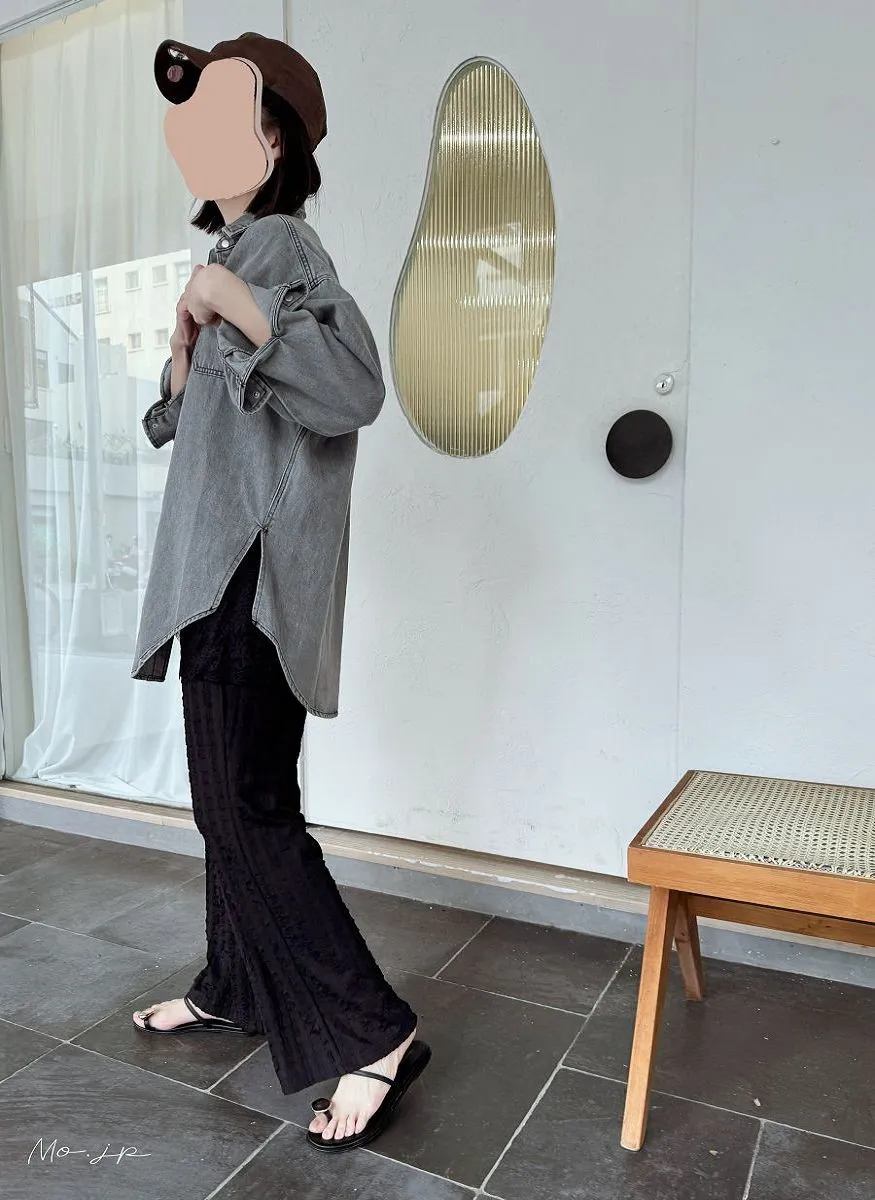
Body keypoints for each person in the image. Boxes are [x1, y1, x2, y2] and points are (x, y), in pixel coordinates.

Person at [129, 33, 430, 1153]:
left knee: (246, 807)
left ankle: (376, 1031)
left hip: (244, 578)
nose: (203, 138)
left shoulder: (281, 245)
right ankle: (234, 982)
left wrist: (239, 306)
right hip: (219, 570)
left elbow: (352, 388)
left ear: (274, 140)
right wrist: (183, 349)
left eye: (230, 115)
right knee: (230, 800)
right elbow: (193, 425)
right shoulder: (236, 249)